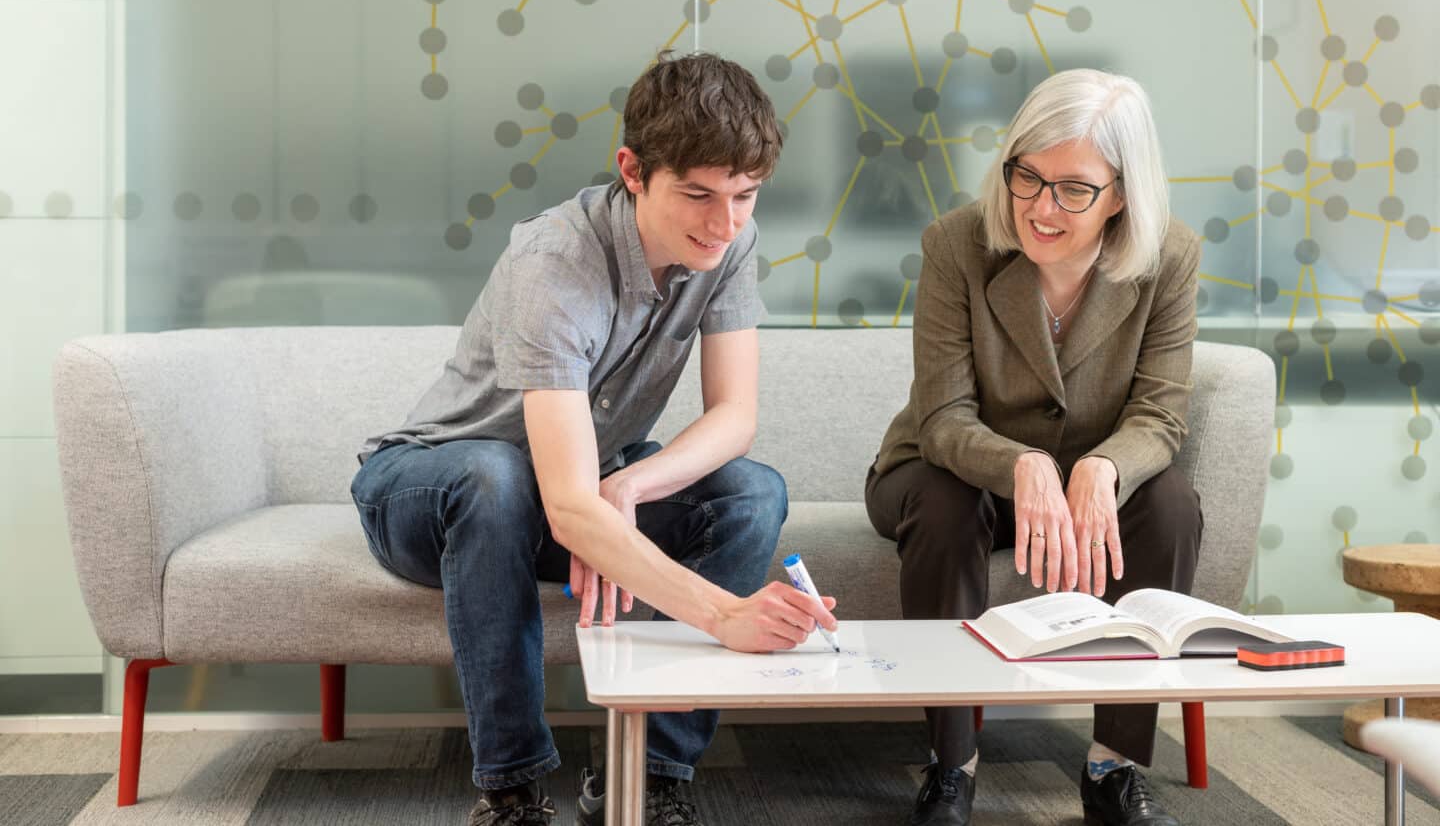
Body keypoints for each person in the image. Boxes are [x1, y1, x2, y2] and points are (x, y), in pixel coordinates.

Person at [350, 51, 838, 826]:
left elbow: (733, 417)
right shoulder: (555, 260)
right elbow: (566, 506)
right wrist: (722, 614)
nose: (725, 222)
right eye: (699, 195)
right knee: (496, 477)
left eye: (745, 196)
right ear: (634, 170)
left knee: (754, 490)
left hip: (576, 487)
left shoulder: (731, 243)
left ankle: (647, 775)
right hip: (432, 492)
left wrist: (632, 485)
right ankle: (510, 793)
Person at [865, 69, 1202, 826]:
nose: (1041, 207)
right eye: (1027, 176)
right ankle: (952, 765)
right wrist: (1026, 466)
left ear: (1122, 193)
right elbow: (944, 416)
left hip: (1083, 483)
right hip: (945, 470)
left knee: (1174, 503)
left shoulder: (1168, 258)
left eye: (1073, 189)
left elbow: (1160, 412)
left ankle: (1113, 766)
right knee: (947, 505)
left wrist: (1103, 465)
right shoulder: (955, 244)